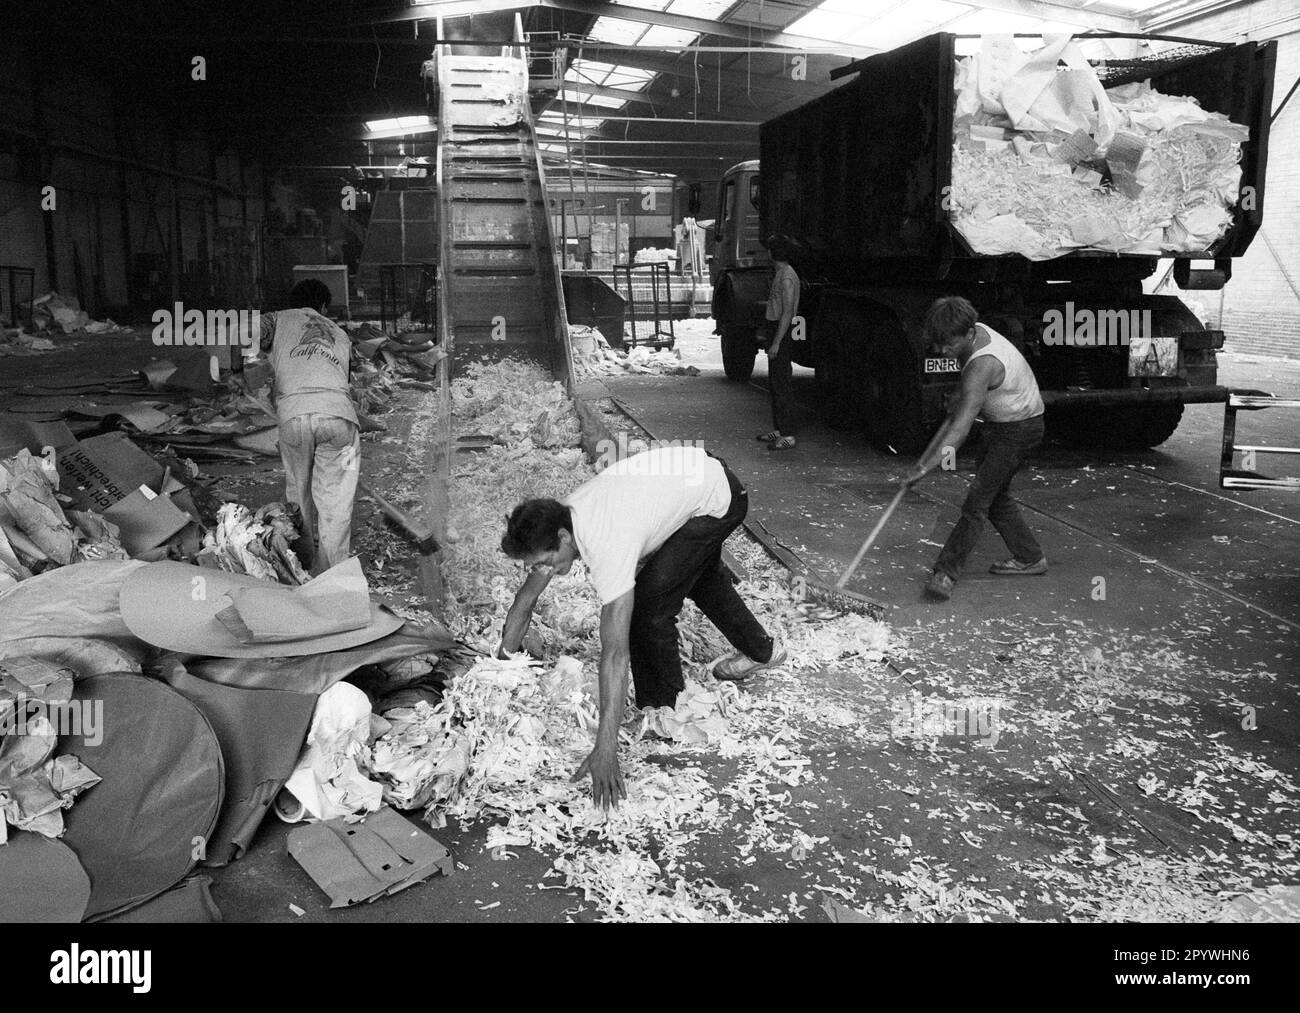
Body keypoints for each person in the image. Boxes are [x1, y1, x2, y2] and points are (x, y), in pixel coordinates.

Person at [498, 445, 785, 808]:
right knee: (694, 576)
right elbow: (527, 598)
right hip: (698, 478)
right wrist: (502, 664)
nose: (544, 569)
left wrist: (605, 746)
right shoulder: (559, 520)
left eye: (545, 562)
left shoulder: (607, 542)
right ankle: (763, 651)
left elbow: (615, 654)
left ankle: (662, 709)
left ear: (564, 540)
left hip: (720, 499)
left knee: (649, 607)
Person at [901, 296, 1047, 601]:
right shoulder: (972, 331)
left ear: (968, 334)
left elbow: (960, 429)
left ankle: (946, 572)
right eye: (938, 343)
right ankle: (1031, 557)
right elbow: (968, 389)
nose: (942, 351)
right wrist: (960, 395)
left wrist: (923, 468)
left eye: (948, 344)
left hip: (1019, 430)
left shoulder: (983, 363)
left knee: (977, 501)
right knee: (995, 497)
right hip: (1003, 425)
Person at [259, 278, 359, 574]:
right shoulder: (340, 333)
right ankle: (332, 574)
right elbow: (345, 380)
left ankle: (299, 564)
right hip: (339, 418)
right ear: (325, 306)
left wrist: (241, 369)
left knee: (298, 492)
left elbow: (244, 333)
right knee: (336, 499)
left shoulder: (277, 318)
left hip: (294, 418)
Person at [755, 234, 800, 451]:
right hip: (775, 329)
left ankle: (788, 434)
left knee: (782, 383)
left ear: (774, 253)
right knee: (775, 382)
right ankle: (780, 429)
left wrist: (776, 343)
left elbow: (788, 312)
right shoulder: (780, 273)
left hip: (782, 331)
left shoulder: (787, 277)